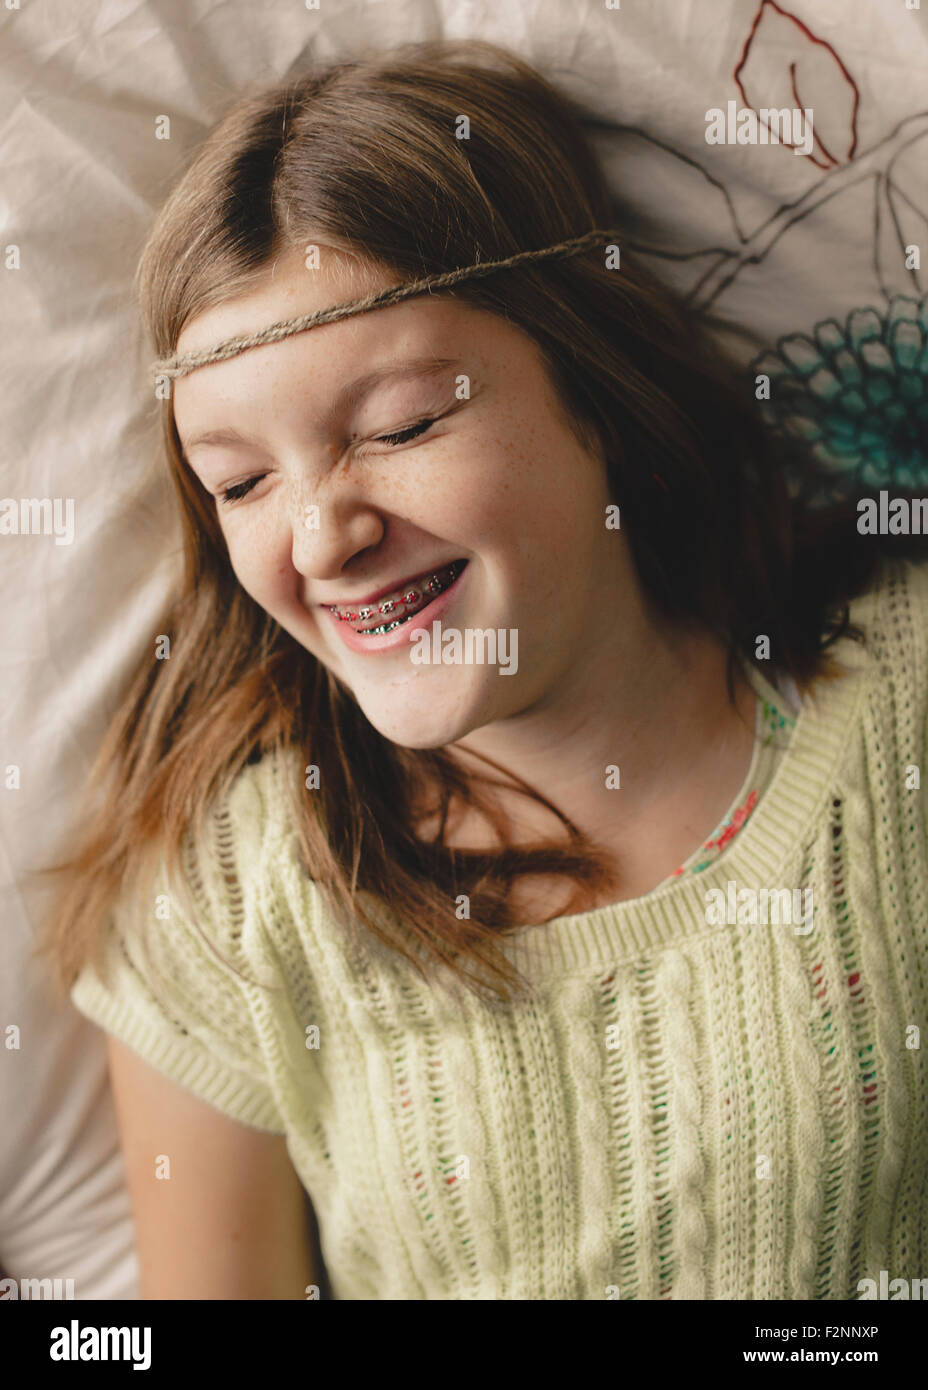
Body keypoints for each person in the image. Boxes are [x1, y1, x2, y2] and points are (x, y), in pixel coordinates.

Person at [37, 38, 928, 1300]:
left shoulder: (902, 711)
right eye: (240, 482)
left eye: (401, 426)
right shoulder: (233, 903)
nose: (322, 534)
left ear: (597, 390)